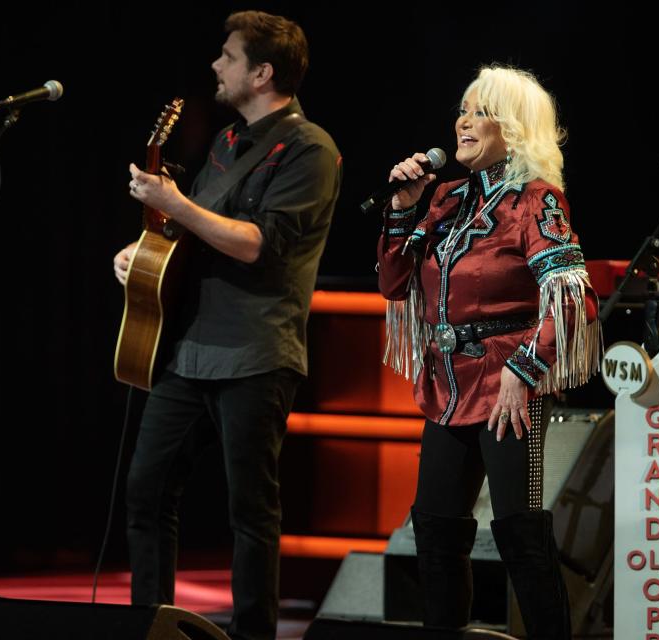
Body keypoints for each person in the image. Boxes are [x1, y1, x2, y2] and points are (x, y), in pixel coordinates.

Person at [112, 11, 342, 640]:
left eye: (228, 56)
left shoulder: (310, 149)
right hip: (187, 349)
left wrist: (174, 203)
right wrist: (145, 254)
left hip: (256, 353)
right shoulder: (224, 143)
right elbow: (196, 234)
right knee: (145, 492)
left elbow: (256, 245)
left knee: (251, 513)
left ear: (262, 72)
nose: (216, 65)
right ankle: (150, 626)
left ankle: (253, 635)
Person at [377, 65, 600, 638]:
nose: (464, 122)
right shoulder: (445, 198)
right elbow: (392, 282)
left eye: (481, 112)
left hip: (508, 386)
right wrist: (404, 205)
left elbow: (572, 301)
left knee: (521, 535)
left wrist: (524, 370)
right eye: (463, 109)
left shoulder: (534, 201)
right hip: (447, 383)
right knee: (435, 532)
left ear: (515, 128)